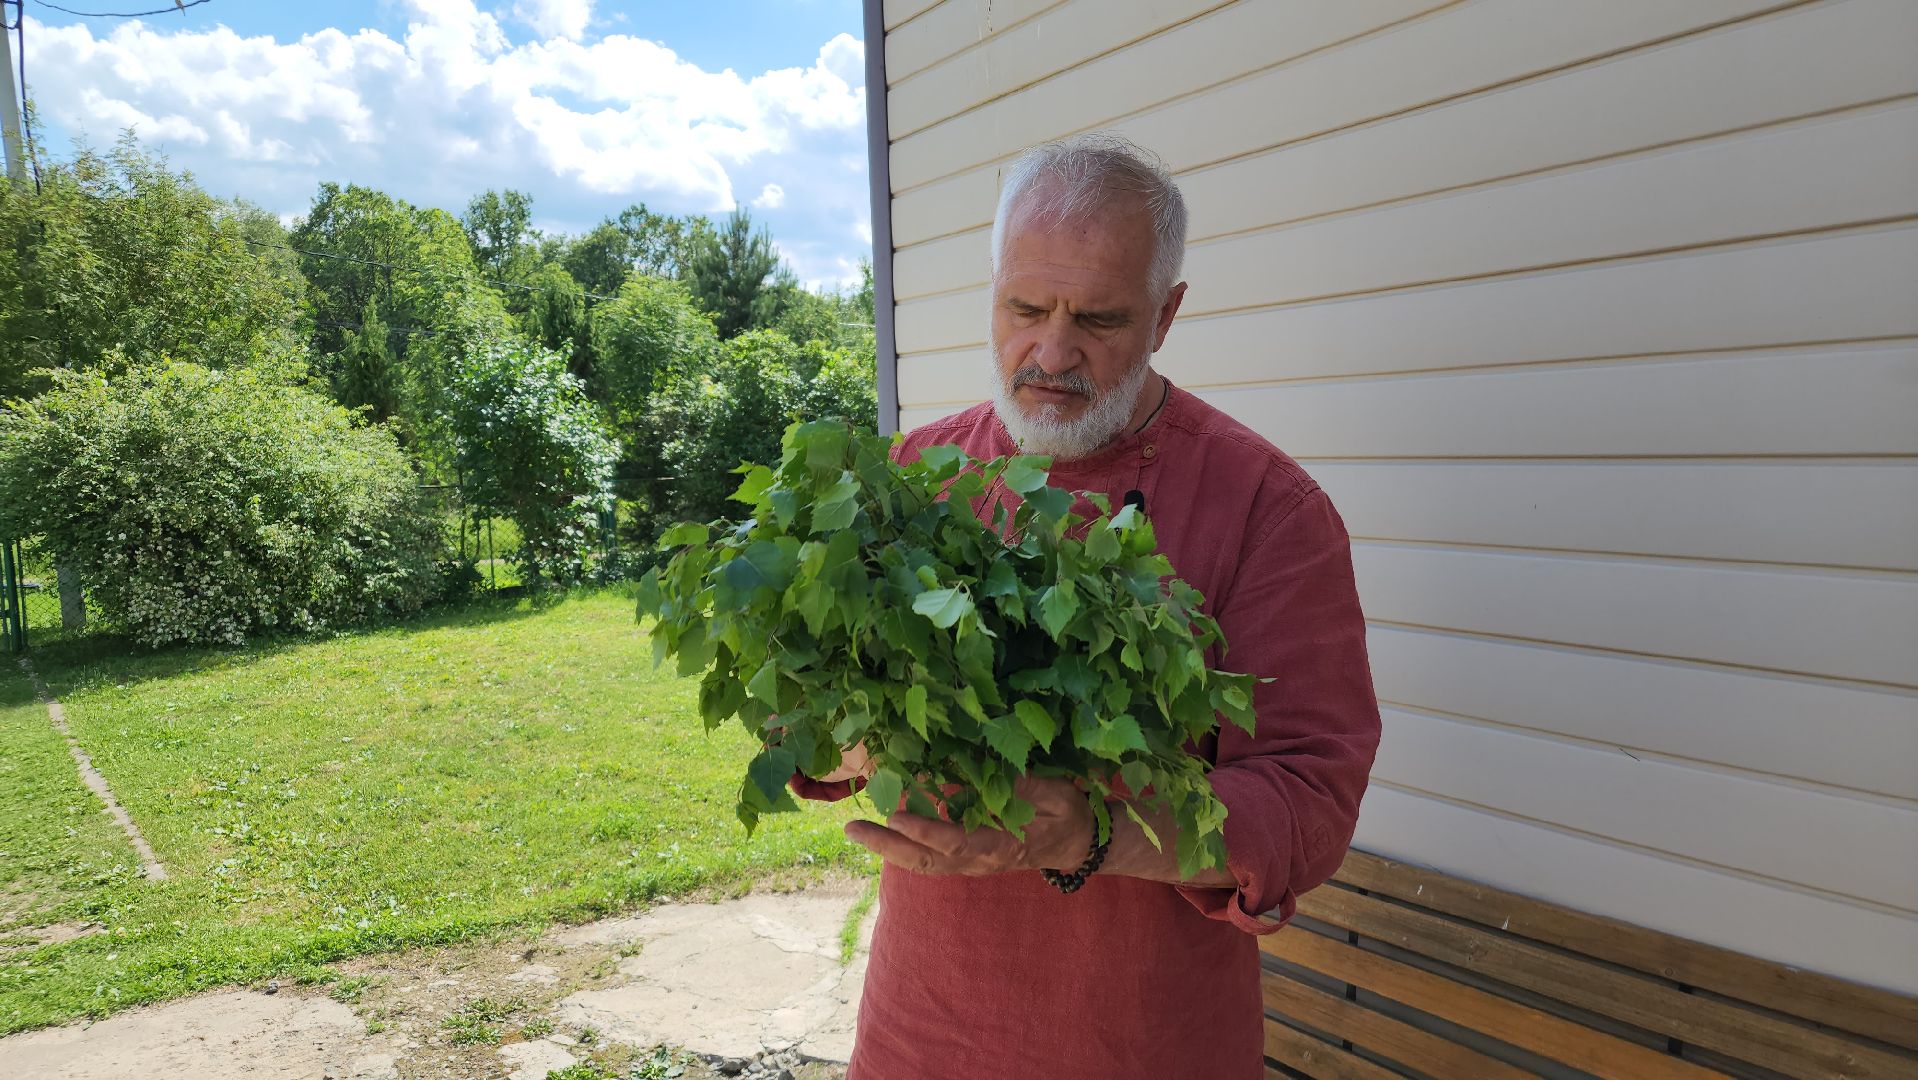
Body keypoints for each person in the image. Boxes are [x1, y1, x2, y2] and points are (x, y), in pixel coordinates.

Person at [791, 133, 1380, 1079]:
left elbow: (1310, 802)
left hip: (1145, 1045)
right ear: (992, 289)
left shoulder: (1267, 509)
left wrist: (1092, 830)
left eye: (1100, 319)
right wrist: (838, 737)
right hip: (919, 1033)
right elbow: (809, 716)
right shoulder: (915, 475)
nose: (1052, 352)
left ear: (1166, 314)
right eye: (1025, 308)